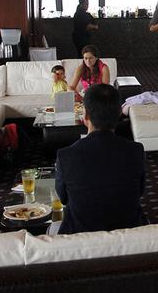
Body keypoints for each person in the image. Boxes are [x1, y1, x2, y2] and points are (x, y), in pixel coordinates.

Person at [55, 84, 147, 234]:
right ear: (119, 114)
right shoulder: (135, 151)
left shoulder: (66, 156)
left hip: (80, 240)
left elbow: (64, 198)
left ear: (85, 116)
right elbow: (139, 192)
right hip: (130, 237)